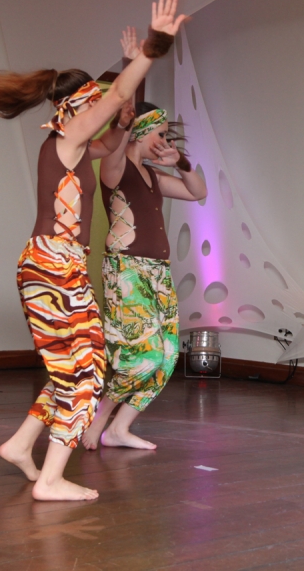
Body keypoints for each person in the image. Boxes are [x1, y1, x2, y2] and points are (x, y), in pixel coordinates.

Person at [0, 0, 185, 501]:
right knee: (88, 370)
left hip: (56, 265)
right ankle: (50, 480)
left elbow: (112, 137)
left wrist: (125, 106)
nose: (101, 107)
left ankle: (20, 444)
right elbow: (116, 100)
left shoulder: (72, 144)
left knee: (72, 367)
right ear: (78, 104)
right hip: (53, 265)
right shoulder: (67, 134)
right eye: (95, 100)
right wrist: (152, 48)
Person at [81, 60, 207, 450]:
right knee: (143, 356)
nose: (166, 140)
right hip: (127, 269)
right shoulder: (115, 169)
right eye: (161, 133)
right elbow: (115, 148)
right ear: (140, 130)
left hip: (158, 271)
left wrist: (180, 163)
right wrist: (125, 116)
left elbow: (197, 192)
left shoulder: (153, 175)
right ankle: (98, 419)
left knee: (166, 357)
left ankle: (119, 429)